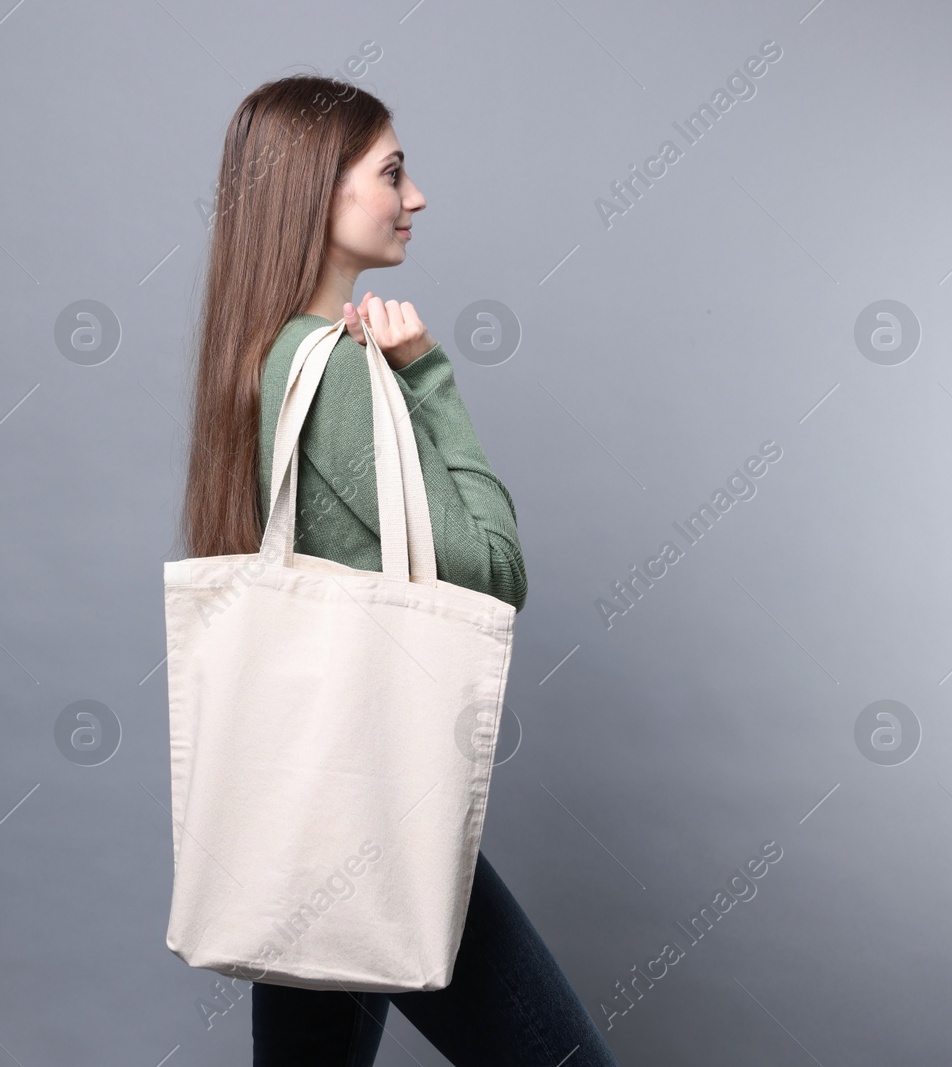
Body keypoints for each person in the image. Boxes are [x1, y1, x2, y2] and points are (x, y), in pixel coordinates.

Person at [180, 74, 622, 1067]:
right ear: (315, 194)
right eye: (391, 172)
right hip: (371, 822)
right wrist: (428, 375)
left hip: (308, 817)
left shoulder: (263, 355)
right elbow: (494, 571)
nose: (414, 197)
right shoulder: (332, 367)